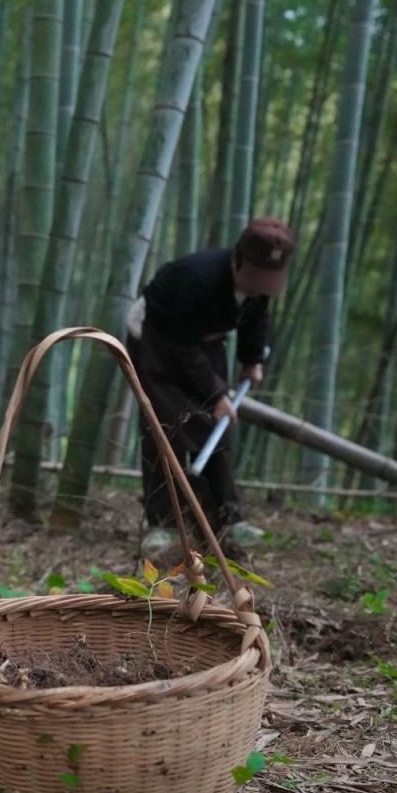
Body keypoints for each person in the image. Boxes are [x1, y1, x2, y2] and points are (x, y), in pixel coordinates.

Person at [125, 217, 296, 561]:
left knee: (219, 427)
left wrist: (251, 360)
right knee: (165, 427)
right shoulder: (199, 279)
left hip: (201, 343)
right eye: (257, 276)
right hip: (158, 337)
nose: (262, 286)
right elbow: (180, 346)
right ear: (238, 260)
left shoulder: (257, 290)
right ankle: (162, 523)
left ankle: (229, 517)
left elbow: (256, 316)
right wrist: (216, 394)